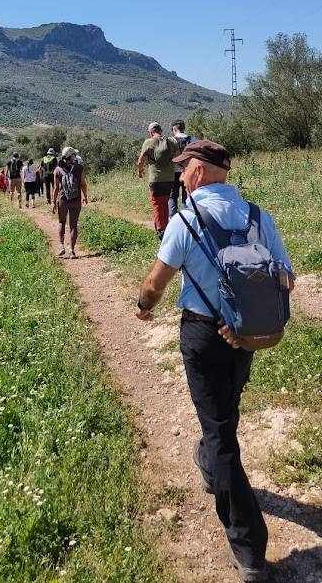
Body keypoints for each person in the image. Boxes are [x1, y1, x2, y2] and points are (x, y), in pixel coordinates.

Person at [135, 140, 295, 583]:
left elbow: (157, 280)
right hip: (245, 335)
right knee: (223, 416)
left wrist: (144, 304)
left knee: (221, 434)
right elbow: (287, 278)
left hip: (204, 333)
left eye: (185, 169)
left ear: (201, 173)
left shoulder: (186, 218)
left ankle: (249, 550)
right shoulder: (259, 217)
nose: (181, 175)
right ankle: (209, 463)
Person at [137, 122, 179, 239]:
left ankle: (161, 232)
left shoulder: (148, 142)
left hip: (156, 179)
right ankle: (167, 228)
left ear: (151, 132)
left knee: (157, 205)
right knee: (165, 202)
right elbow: (178, 157)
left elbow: (141, 161)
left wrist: (140, 172)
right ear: (160, 130)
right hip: (170, 178)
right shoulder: (171, 141)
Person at [52, 146, 88, 259]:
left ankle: (61, 246)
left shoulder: (57, 170)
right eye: (74, 155)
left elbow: (56, 188)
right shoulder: (79, 168)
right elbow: (83, 184)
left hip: (62, 199)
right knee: (73, 225)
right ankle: (72, 251)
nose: (75, 156)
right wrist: (85, 196)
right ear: (71, 156)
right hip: (75, 199)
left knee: (61, 222)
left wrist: (53, 201)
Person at [169, 120, 196, 218]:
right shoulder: (193, 140)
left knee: (172, 197)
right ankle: (186, 219)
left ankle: (172, 219)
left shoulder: (170, 141)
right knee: (187, 197)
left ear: (174, 129)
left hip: (173, 172)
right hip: (188, 172)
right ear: (183, 128)